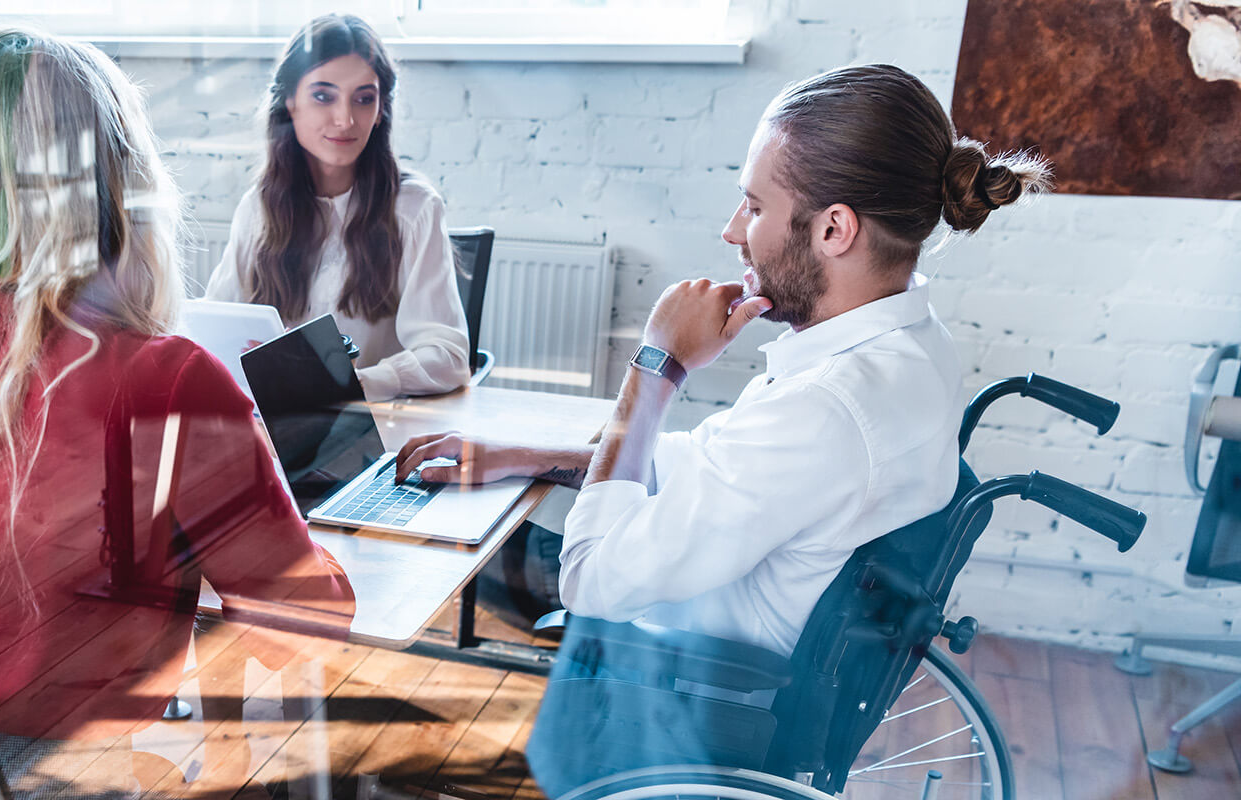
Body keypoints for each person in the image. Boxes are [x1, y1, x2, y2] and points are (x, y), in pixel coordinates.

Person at [397, 64, 1051, 657]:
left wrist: (657, 365)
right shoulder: (912, 343)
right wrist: (538, 455)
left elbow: (591, 580)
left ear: (834, 230)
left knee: (428, 550)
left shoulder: (826, 405)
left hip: (679, 669)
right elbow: (720, 468)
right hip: (717, 605)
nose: (733, 230)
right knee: (471, 515)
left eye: (757, 205)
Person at [0, 28, 355, 742]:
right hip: (54, 764)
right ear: (122, 183)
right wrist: (284, 508)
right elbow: (306, 624)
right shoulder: (169, 379)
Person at [202, 13, 470, 402]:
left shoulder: (413, 209)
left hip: (368, 430)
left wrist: (358, 384)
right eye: (323, 96)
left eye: (364, 99)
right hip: (272, 426)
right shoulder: (259, 208)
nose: (345, 119)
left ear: (380, 112)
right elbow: (214, 331)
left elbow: (448, 357)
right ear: (290, 101)